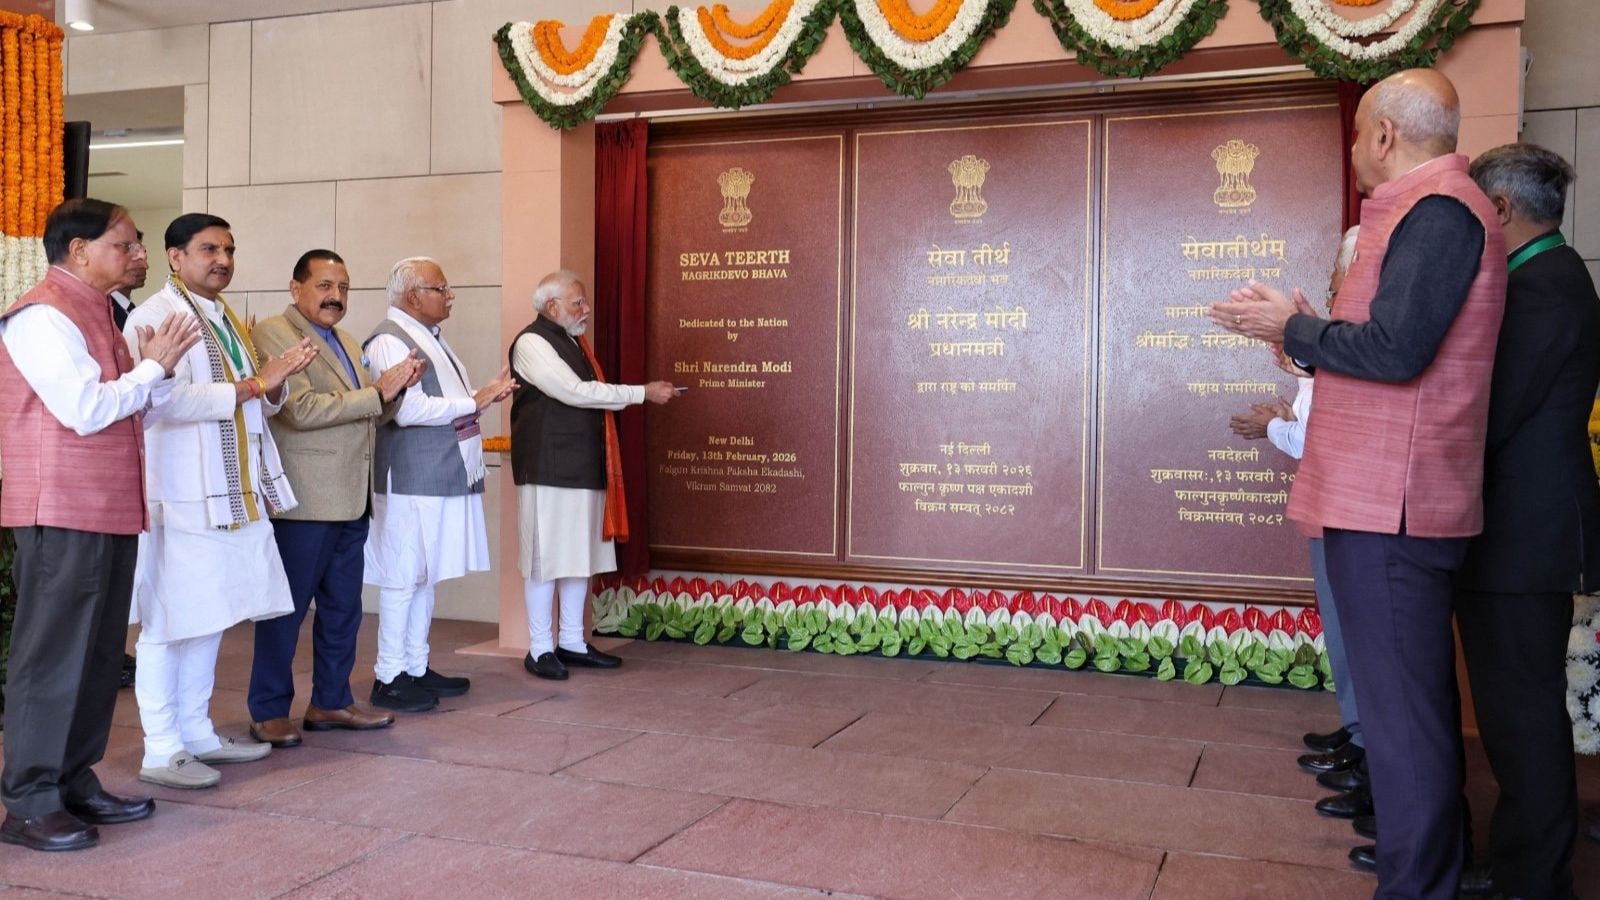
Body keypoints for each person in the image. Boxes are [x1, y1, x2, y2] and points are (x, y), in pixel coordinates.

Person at [1211, 68, 1507, 897]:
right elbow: (1383, 344)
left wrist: (1294, 325)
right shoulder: (1430, 213)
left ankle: (1419, 886)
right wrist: (1303, 337)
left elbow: (1398, 351)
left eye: (1355, 134)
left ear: (1382, 135)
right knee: (1398, 713)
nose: (1351, 150)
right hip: (1383, 497)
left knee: (1404, 722)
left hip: (1396, 503)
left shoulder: (1440, 212)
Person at [0, 199, 201, 851]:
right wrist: (149, 370)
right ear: (79, 250)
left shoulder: (106, 312)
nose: (139, 254)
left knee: (95, 656)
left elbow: (133, 408)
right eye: (127, 244)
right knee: (51, 656)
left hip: (108, 504)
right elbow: (85, 408)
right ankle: (28, 803)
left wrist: (158, 371)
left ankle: (72, 781)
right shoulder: (40, 316)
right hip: (59, 507)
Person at [124, 213, 318, 790]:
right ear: (174, 257)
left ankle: (198, 733)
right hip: (180, 494)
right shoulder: (154, 316)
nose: (223, 259)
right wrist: (257, 384)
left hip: (230, 490)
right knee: (168, 623)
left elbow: (254, 400)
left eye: (229, 249)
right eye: (209, 249)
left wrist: (274, 383)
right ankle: (161, 749)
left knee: (208, 618)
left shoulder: (224, 316)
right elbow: (153, 403)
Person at [1453, 143, 1600, 899]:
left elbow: (1493, 411)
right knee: (1516, 713)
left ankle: (1533, 881)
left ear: (1501, 210)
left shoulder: (1543, 285)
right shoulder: (1546, 276)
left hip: (1524, 538)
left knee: (1522, 716)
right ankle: (1521, 866)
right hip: (1519, 535)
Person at [245, 250, 425, 747]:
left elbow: (367, 413)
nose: (335, 296)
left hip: (351, 496)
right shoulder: (271, 336)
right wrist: (376, 394)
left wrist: (396, 392)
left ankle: (331, 701)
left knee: (344, 608)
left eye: (344, 287)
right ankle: (267, 710)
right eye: (324, 285)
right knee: (286, 610)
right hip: (305, 500)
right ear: (295, 287)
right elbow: (299, 410)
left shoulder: (346, 339)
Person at [1229, 228, 1371, 817]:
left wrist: (1274, 427)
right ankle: (1359, 734)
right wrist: (1302, 384)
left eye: (1342, 277)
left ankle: (1367, 746)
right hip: (1330, 503)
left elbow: (1322, 437)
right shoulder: (1335, 342)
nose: (1337, 287)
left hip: (1349, 505)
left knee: (1357, 634)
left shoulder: (1357, 337)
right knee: (1344, 633)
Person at [362, 257, 515, 711]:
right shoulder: (390, 340)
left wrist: (477, 397)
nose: (449, 295)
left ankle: (415, 666)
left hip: (439, 471)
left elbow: (446, 405)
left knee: (424, 577)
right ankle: (388, 676)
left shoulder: (429, 338)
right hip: (411, 475)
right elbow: (407, 411)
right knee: (403, 575)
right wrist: (476, 399)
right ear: (413, 296)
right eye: (441, 287)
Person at [510, 270, 676, 680]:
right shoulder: (532, 341)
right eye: (577, 302)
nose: (586, 309)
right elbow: (573, 391)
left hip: (582, 464)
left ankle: (571, 641)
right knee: (544, 561)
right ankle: (539, 648)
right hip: (548, 467)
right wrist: (641, 393)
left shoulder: (572, 341)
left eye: (584, 302)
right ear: (551, 307)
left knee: (577, 558)